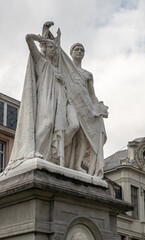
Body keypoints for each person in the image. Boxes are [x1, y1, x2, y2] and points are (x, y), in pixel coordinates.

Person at [7, 22, 79, 168]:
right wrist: (40, 38)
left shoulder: (55, 68)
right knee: (46, 124)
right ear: (44, 49)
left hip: (58, 102)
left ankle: (50, 156)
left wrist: (62, 82)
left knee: (55, 126)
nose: (53, 50)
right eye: (50, 47)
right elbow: (28, 39)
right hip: (44, 99)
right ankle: (35, 151)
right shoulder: (41, 61)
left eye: (54, 48)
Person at [61, 43, 108, 177]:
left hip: (86, 107)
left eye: (82, 50)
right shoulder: (66, 67)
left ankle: (76, 165)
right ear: (71, 52)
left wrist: (99, 108)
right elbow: (53, 51)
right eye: (77, 49)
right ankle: (59, 149)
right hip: (71, 103)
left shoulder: (88, 74)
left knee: (83, 137)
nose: (80, 51)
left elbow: (91, 94)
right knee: (74, 125)